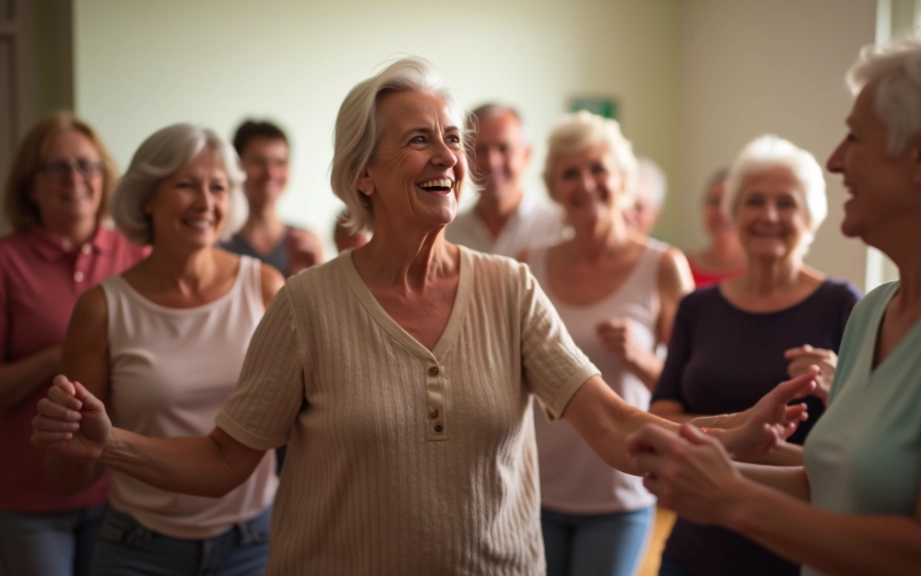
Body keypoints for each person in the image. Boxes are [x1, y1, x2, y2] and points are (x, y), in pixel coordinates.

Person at [32, 58, 814, 575]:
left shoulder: (510, 288)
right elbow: (222, 462)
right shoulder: (305, 303)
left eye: (452, 138)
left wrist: (738, 430)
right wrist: (112, 444)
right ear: (362, 174)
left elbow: (612, 427)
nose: (448, 154)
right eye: (419, 140)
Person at [628, 32, 921, 576]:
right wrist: (712, 470)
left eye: (855, 138)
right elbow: (831, 485)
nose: (836, 162)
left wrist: (733, 500)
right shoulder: (875, 310)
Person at [43, 123, 282, 575]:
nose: (205, 202)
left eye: (217, 187)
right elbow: (69, 476)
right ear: (147, 198)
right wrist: (66, 437)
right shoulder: (101, 308)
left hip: (254, 544)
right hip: (139, 548)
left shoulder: (265, 287)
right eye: (186, 185)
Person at [649, 134, 862, 576]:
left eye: (785, 203)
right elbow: (662, 416)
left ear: (810, 217)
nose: (769, 216)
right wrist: (738, 434)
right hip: (697, 544)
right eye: (754, 201)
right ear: (734, 213)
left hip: (799, 545)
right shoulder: (698, 307)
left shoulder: (843, 304)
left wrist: (841, 388)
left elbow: (871, 440)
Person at [522, 111, 693, 576]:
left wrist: (638, 356)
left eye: (598, 168)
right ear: (555, 188)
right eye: (570, 173)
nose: (586, 183)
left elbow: (691, 389)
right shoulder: (525, 266)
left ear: (623, 179)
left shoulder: (663, 266)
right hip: (535, 488)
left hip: (621, 491)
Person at [0, 112, 147, 576]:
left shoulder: (137, 254)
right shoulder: (7, 262)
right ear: (30, 185)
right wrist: (56, 358)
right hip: (29, 497)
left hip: (125, 492)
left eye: (88, 165)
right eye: (57, 167)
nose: (76, 179)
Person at [446, 103, 567, 257]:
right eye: (481, 150)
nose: (492, 162)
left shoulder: (559, 228)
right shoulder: (448, 234)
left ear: (526, 155)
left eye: (504, 148)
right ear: (466, 157)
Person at [220, 119, 323, 277]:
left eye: (280, 163)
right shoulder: (219, 242)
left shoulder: (306, 243)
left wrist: (318, 268)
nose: (271, 173)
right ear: (237, 167)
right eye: (259, 162)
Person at [684, 169, 745, 287]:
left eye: (731, 203)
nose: (722, 212)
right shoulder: (681, 266)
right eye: (715, 201)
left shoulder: (761, 271)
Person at [623, 157, 668, 236]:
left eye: (639, 208)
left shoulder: (664, 248)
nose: (627, 214)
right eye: (624, 204)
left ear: (656, 215)